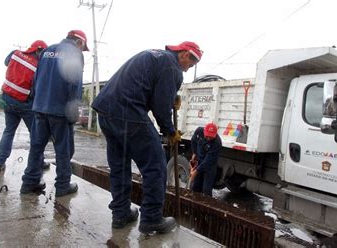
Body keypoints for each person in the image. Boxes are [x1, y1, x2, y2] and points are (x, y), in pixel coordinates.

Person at [91, 41, 203, 234]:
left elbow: (151, 91)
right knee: (156, 165)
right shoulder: (172, 66)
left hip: (106, 111)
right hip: (128, 112)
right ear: (184, 54)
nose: (186, 70)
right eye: (189, 65)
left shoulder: (157, 56)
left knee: (120, 165)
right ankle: (151, 218)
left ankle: (121, 213)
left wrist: (169, 100)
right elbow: (159, 107)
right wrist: (170, 132)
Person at [20, 30, 88, 197]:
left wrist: (37, 101)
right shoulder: (74, 54)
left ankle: (29, 183)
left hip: (39, 107)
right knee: (63, 150)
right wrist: (73, 113)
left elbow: (36, 79)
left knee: (36, 148)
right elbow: (75, 84)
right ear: (79, 43)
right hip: (59, 110)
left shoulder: (46, 51)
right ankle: (63, 186)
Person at [0, 40, 50, 172]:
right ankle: (39, 162)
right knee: (36, 135)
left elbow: (6, 62)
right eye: (43, 53)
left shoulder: (14, 54)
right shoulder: (38, 66)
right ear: (38, 50)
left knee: (9, 131)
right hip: (25, 104)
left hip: (8, 100)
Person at [189, 123, 222, 196]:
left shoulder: (217, 143)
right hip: (199, 161)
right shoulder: (199, 131)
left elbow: (208, 160)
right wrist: (194, 153)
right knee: (195, 187)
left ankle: (206, 204)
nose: (209, 138)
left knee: (206, 189)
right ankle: (195, 204)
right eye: (207, 136)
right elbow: (193, 141)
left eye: (211, 137)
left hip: (210, 165)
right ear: (204, 131)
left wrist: (195, 172)